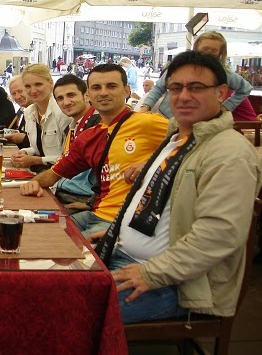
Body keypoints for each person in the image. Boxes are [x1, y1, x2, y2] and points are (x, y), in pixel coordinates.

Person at [90, 51, 262, 324]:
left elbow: (220, 234)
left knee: (67, 311)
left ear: (221, 93)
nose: (183, 96)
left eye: (196, 87)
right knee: (47, 283)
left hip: (177, 285)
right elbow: (166, 208)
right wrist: (118, 232)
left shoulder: (229, 153)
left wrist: (151, 274)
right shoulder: (177, 138)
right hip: (123, 254)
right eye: (176, 88)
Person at [20, 63, 168, 237]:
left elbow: (192, 142)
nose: (103, 93)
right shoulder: (89, 136)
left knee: (63, 246)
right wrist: (34, 183)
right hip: (95, 213)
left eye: (111, 86)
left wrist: (151, 164)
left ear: (126, 91)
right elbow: (54, 173)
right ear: (89, 94)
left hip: (122, 220)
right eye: (97, 88)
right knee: (33, 233)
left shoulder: (147, 122)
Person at [140, 31, 255, 121]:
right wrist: (145, 107)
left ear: (220, 53)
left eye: (213, 50)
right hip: (167, 119)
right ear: (196, 48)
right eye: (205, 49)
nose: (208, 53)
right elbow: (159, 88)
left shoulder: (224, 73)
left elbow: (245, 89)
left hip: (201, 124)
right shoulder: (179, 67)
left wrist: (225, 107)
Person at [52, 74, 101, 214]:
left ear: (86, 95)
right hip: (63, 192)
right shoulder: (72, 126)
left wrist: (92, 202)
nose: (66, 102)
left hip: (81, 198)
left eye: (71, 95)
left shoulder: (98, 124)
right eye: (60, 98)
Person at [10, 64, 72, 172]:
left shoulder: (62, 111)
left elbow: (70, 157)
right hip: (39, 171)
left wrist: (36, 160)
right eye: (28, 86)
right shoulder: (29, 112)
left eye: (38, 84)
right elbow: (39, 148)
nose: (33, 91)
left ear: (51, 84)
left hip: (59, 175)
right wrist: (24, 152)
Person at [4, 75, 31, 149]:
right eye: (14, 94)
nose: (17, 97)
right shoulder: (27, 110)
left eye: (20, 91)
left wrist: (24, 138)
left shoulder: (40, 111)